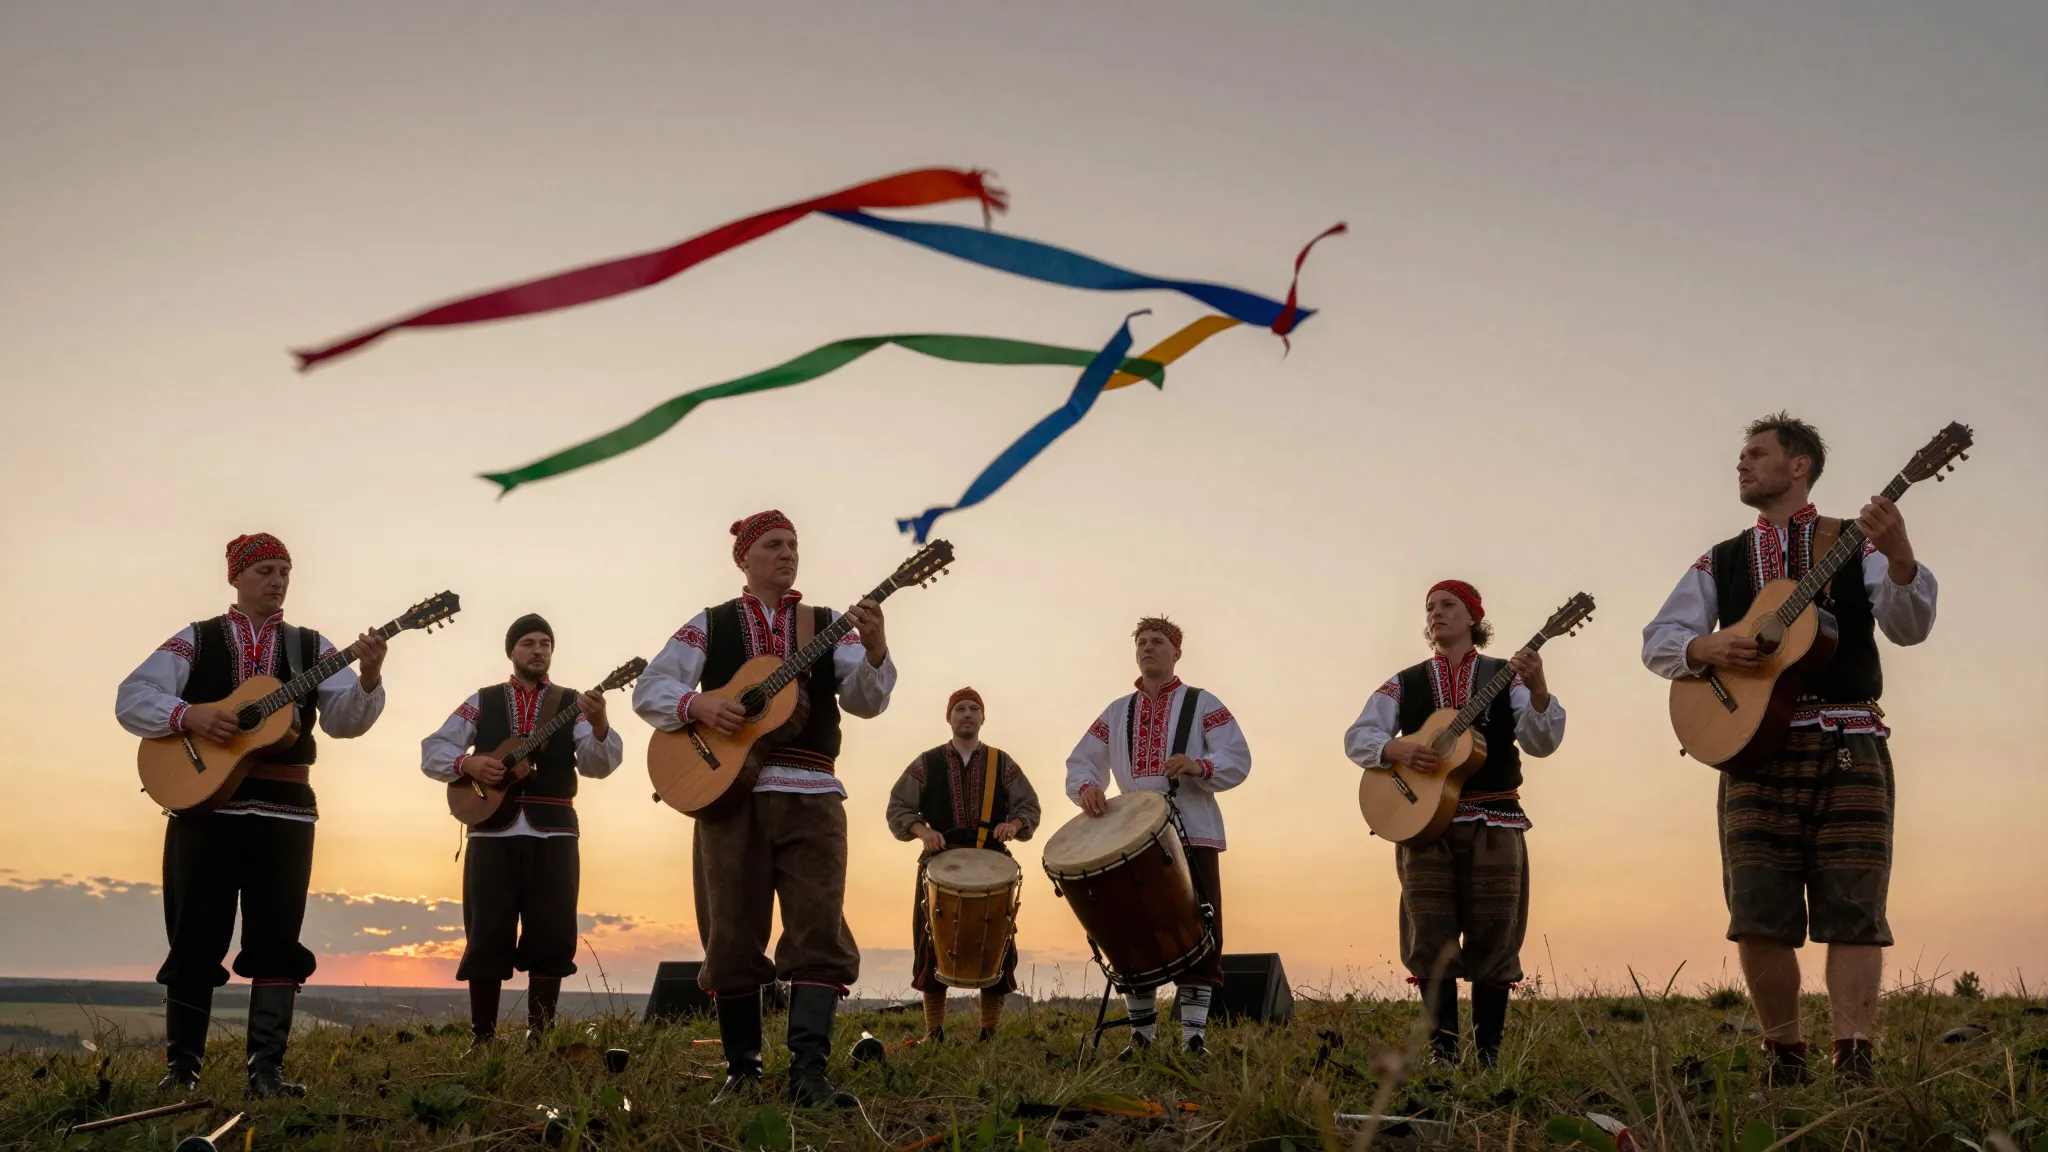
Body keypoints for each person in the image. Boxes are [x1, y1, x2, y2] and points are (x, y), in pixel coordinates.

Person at [1642, 412, 1938, 1085]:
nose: (1741, 464)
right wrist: (1706, 646)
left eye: (1756, 453)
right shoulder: (1721, 559)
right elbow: (1659, 639)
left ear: (1798, 465)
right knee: (1757, 912)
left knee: (1854, 907)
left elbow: (1910, 626)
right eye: (1742, 456)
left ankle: (1854, 1061)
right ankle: (1784, 1062)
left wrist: (1900, 556)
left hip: (1848, 740)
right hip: (1751, 747)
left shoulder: (1856, 542)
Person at [633, 510, 895, 1108]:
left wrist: (876, 650)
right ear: (744, 558)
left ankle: (808, 1073)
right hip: (729, 795)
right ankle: (742, 1072)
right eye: (774, 545)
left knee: (819, 929)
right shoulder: (711, 623)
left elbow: (866, 702)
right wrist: (699, 707)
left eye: (793, 545)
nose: (787, 554)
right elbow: (651, 688)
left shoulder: (828, 625)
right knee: (729, 931)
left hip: (813, 793)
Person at [114, 534, 387, 1097]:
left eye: (284, 570)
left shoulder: (312, 646)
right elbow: (132, 696)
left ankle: (267, 1072)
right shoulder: (197, 639)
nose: (277, 580)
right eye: (265, 569)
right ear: (236, 577)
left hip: (286, 812)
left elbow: (345, 723)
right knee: (195, 933)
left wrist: (368, 677)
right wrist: (190, 715)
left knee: (278, 936)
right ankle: (182, 1071)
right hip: (205, 807)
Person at [1343, 580, 1566, 1068]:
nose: (1436, 613)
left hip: (1495, 819)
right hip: (1422, 822)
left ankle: (1488, 1058)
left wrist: (1539, 689)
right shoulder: (1405, 682)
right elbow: (1358, 735)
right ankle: (1442, 1055)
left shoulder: (1507, 675)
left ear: (1473, 618)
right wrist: (1397, 748)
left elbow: (1542, 742)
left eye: (1448, 605)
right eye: (1430, 607)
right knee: (1429, 934)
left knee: (1495, 933)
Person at [420, 614, 624, 1051]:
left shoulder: (574, 704)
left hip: (554, 833)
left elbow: (598, 764)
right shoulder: (483, 700)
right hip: (490, 832)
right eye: (528, 642)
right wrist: (469, 763)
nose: (538, 650)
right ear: (511, 651)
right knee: (486, 932)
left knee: (553, 932)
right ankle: (482, 1040)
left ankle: (539, 1039)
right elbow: (434, 748)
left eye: (545, 643)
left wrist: (600, 724)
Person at [1064, 616, 1250, 1056]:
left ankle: (1194, 1039)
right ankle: (1141, 1037)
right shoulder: (1117, 711)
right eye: (1142, 642)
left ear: (1177, 652)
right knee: (1131, 933)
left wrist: (1199, 765)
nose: (1148, 647)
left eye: (1158, 641)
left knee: (1198, 930)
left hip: (1192, 830)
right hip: (1128, 839)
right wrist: (1087, 789)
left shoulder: (1202, 703)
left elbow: (1237, 757)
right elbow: (1081, 761)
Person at [885, 687, 1041, 1042]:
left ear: (983, 718)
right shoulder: (927, 762)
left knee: (996, 944)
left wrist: (1013, 825)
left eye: (973, 709)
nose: (967, 714)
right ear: (949, 718)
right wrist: (923, 831)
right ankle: (934, 1032)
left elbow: (1029, 806)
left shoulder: (1003, 763)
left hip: (992, 866)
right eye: (960, 709)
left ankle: (989, 1032)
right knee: (931, 945)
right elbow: (898, 807)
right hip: (939, 866)